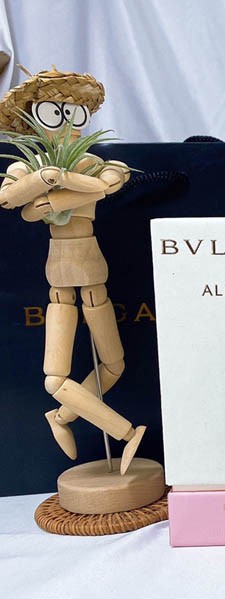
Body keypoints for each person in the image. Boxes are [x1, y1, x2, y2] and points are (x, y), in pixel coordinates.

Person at [0, 68, 145, 475]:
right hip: (59, 274)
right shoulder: (30, 165)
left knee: (114, 365)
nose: (66, 122)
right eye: (53, 112)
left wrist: (58, 189)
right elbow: (10, 201)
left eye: (74, 113)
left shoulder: (90, 161)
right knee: (54, 380)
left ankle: (62, 416)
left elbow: (112, 181)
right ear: (33, 118)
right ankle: (126, 433)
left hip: (93, 267)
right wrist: (46, 180)